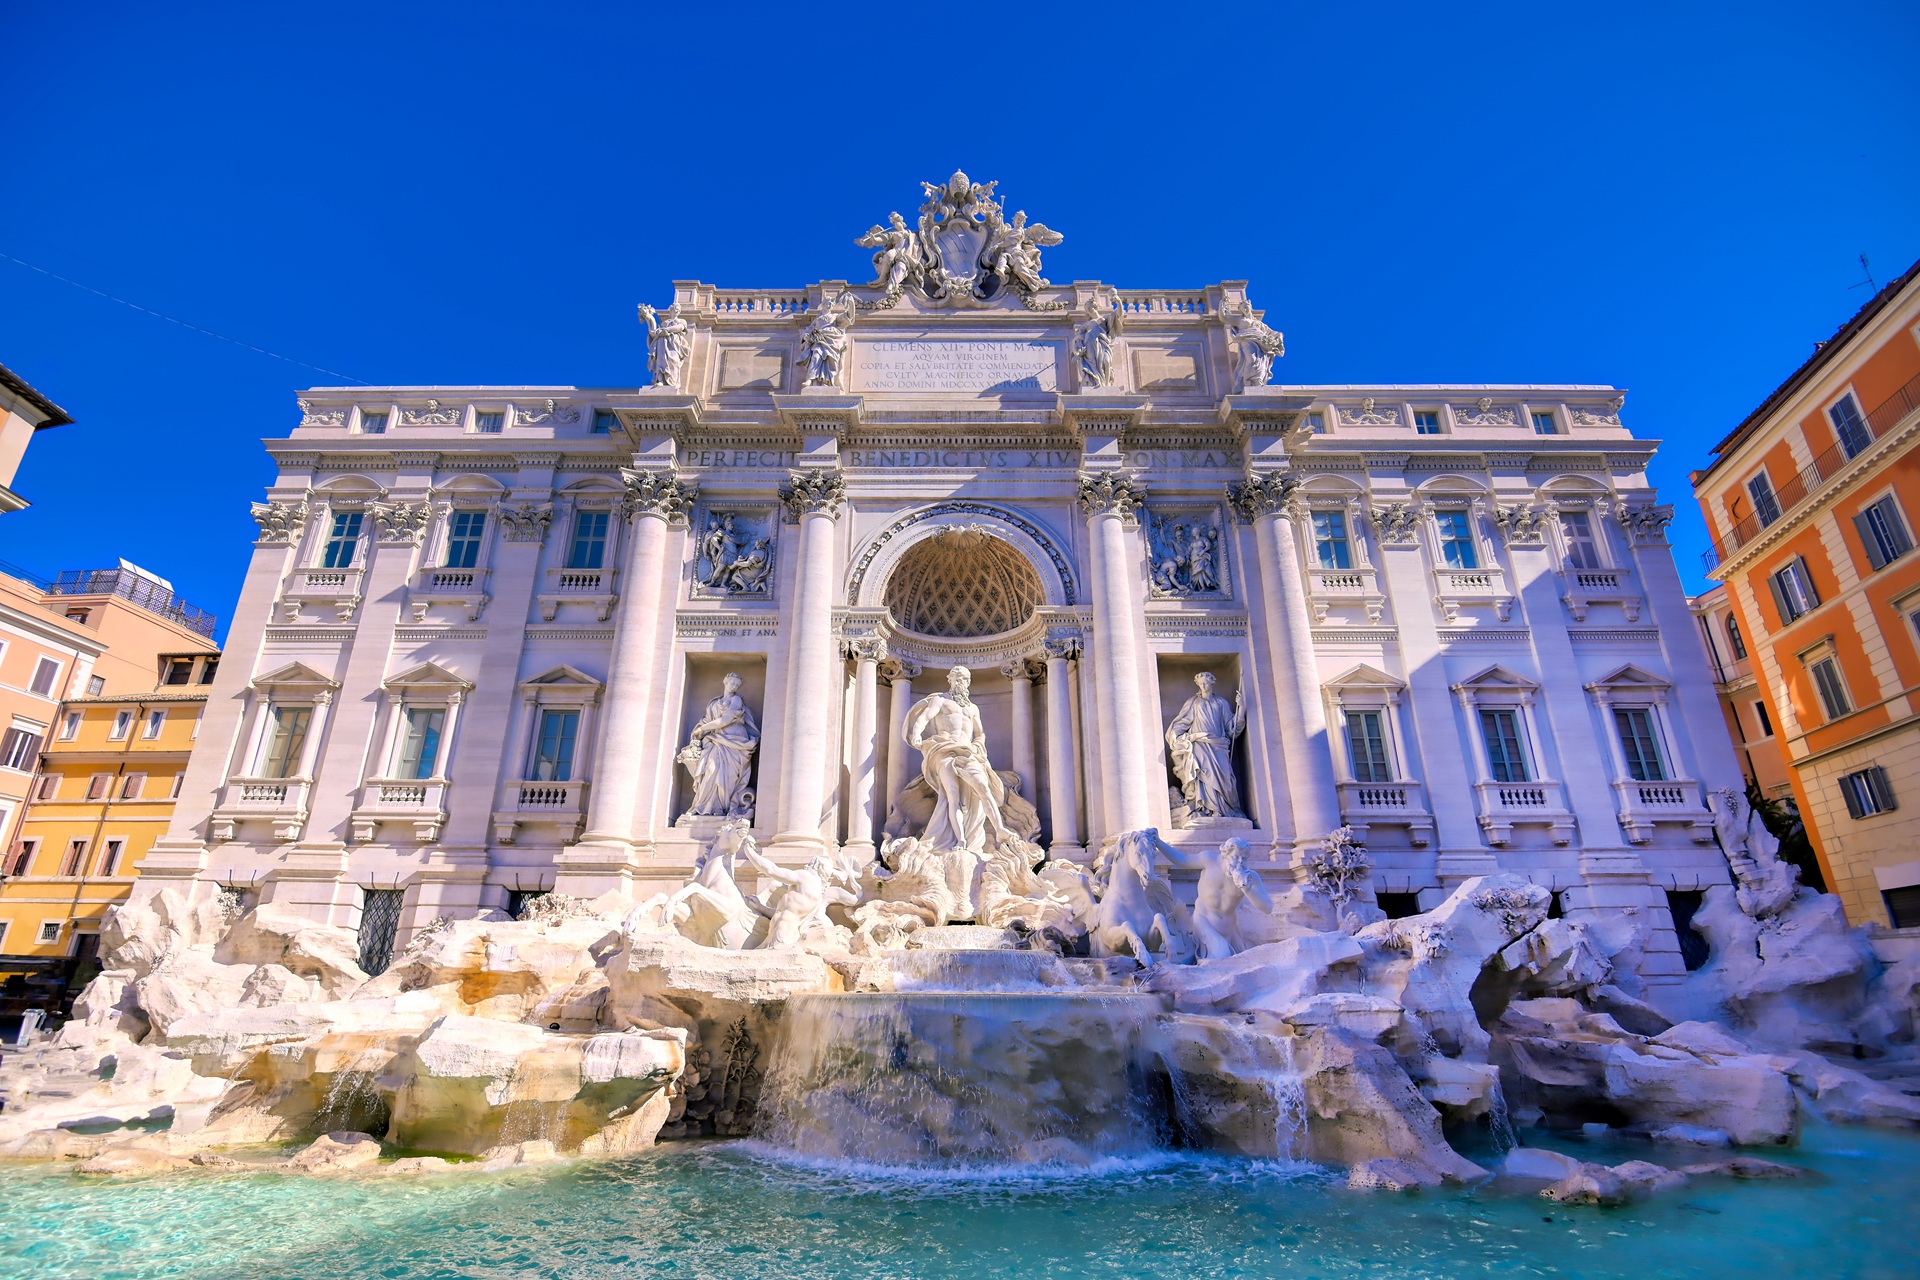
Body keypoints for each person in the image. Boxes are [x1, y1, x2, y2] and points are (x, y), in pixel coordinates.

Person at [903, 665, 1012, 856]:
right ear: (950, 679)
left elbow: (980, 733)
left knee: (983, 787)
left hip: (967, 752)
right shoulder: (941, 700)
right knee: (952, 796)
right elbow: (925, 717)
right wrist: (916, 734)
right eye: (959, 678)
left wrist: (979, 746)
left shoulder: (972, 708)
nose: (963, 683)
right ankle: (960, 839)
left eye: (966, 679)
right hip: (944, 750)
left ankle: (1000, 830)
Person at [1166, 672, 1247, 818]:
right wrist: (1175, 736)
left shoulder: (1221, 703)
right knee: (1203, 777)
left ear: (1212, 683)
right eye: (1201, 683)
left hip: (1218, 746)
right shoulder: (1193, 703)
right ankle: (1205, 809)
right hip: (1200, 746)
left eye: (1206, 683)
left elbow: (1232, 727)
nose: (1204, 686)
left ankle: (1224, 809)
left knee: (1225, 778)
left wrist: (1241, 709)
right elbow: (1182, 722)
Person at [679, 673, 759, 818]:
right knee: (710, 769)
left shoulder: (736, 700)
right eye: (732, 683)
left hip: (735, 742)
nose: (734, 687)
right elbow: (707, 720)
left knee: (728, 777)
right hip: (716, 741)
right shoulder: (714, 703)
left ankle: (723, 808)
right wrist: (700, 730)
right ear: (725, 682)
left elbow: (725, 720)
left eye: (737, 685)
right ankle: (706, 806)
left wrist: (702, 729)